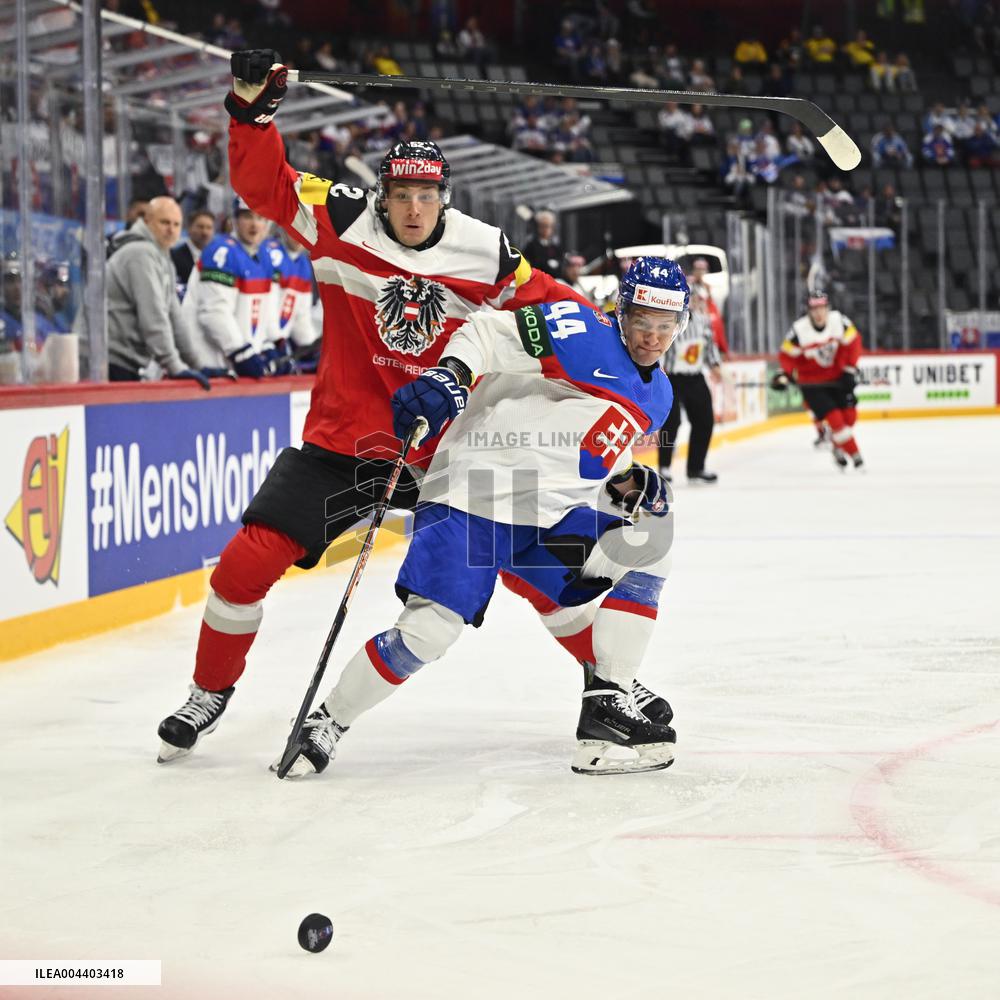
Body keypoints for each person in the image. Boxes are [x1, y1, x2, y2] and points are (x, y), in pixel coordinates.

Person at [156, 50, 670, 763]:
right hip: (347, 445)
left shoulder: (485, 251)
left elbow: (560, 310)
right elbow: (262, 184)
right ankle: (209, 691)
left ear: (445, 199)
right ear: (383, 194)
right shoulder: (337, 218)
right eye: (401, 194)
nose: (414, 208)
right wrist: (250, 109)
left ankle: (613, 688)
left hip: (452, 459)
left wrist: (627, 340)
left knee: (554, 583)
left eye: (427, 197)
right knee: (243, 566)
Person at [285, 257, 688, 778]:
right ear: (620, 312)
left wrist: (627, 480)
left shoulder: (659, 395)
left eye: (665, 326)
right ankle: (329, 721)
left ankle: (606, 705)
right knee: (429, 633)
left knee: (650, 545)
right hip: (472, 498)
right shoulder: (582, 330)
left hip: (543, 522)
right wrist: (450, 374)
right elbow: (488, 330)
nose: (652, 337)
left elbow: (591, 443)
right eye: (642, 322)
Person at [105, 196, 211, 388]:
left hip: (127, 359)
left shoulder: (162, 257)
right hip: (113, 360)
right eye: (164, 222)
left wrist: (198, 365)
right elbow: (153, 317)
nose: (171, 230)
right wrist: (175, 366)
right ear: (147, 221)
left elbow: (174, 316)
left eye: (176, 224)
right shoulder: (140, 254)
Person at [181, 199, 278, 377]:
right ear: (234, 220)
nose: (255, 224)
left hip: (231, 364)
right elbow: (213, 313)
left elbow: (259, 311)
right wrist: (239, 351)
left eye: (261, 218)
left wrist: (265, 344)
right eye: (247, 217)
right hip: (207, 362)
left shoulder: (263, 255)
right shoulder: (221, 252)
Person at [772, 290, 864, 470]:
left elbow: (854, 343)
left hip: (837, 378)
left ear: (827, 308)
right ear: (808, 311)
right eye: (814, 309)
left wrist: (849, 369)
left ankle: (838, 447)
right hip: (812, 384)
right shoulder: (799, 330)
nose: (819, 313)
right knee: (835, 418)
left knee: (850, 417)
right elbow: (786, 356)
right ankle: (856, 456)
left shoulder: (839, 321)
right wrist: (784, 374)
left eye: (822, 308)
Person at [658, 290, 721, 484]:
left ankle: (696, 468)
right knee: (672, 422)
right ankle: (665, 467)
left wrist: (715, 365)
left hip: (695, 376)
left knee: (705, 421)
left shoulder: (702, 321)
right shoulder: (667, 321)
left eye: (693, 298)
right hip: (671, 378)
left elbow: (709, 345)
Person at [264, 226, 322, 370]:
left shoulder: (303, 264)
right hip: (262, 342)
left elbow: (301, 316)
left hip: (278, 342)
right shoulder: (270, 252)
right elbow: (265, 308)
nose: (298, 236)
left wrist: (310, 346)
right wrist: (277, 339)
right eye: (294, 230)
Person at [171, 209, 216, 297]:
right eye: (200, 227)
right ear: (189, 228)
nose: (205, 232)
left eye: (209, 227)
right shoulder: (174, 256)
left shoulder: (218, 258)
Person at [522, 210, 564, 277]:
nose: (546, 229)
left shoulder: (555, 246)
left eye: (548, 226)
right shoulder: (531, 246)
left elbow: (561, 263)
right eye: (543, 226)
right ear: (538, 227)